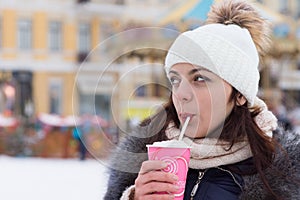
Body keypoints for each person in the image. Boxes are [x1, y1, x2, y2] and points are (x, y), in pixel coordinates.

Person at [104, 0, 300, 199]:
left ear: (239, 94)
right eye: (175, 79)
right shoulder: (142, 159)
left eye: (199, 79)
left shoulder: (280, 173)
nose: (181, 94)